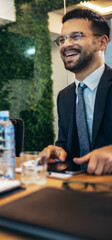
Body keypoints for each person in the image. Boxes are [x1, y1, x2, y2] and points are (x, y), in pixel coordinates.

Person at [41, 8, 112, 175]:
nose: (66, 44)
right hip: (77, 188)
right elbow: (65, 144)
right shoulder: (64, 96)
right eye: (62, 39)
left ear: (102, 42)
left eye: (76, 36)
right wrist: (58, 151)